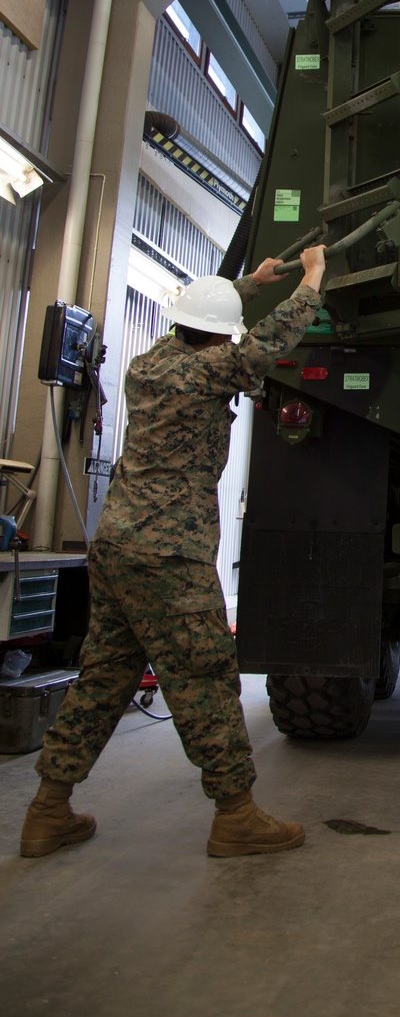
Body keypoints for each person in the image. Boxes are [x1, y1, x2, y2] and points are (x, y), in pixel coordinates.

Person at [20, 245, 327, 859]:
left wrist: (249, 283)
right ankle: (236, 814)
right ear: (217, 340)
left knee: (104, 675)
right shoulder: (213, 371)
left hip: (117, 546)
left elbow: (203, 322)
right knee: (206, 679)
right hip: (170, 555)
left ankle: (48, 810)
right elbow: (268, 343)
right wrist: (311, 279)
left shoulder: (149, 364)